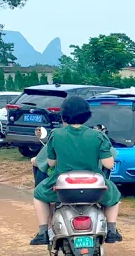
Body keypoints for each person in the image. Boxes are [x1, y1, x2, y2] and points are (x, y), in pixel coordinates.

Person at [29, 96, 123, 246]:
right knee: (115, 196)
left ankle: (43, 233)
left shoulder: (56, 134)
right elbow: (109, 164)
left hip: (63, 185)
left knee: (38, 194)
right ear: (87, 115)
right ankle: (111, 230)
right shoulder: (98, 135)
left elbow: (51, 162)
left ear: (63, 115)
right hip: (93, 185)